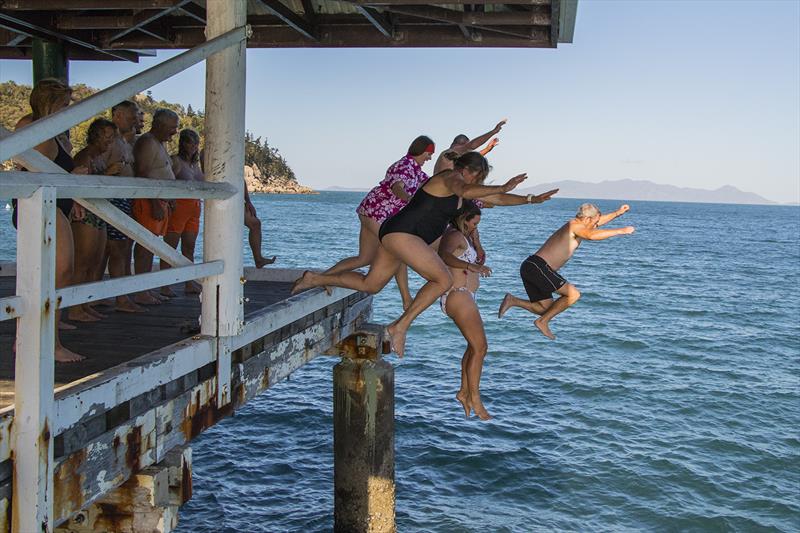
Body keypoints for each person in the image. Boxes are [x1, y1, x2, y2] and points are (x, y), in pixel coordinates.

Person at [292, 151, 557, 357]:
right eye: (478, 177)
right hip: (403, 234)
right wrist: (502, 186)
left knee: (370, 285)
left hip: (396, 234)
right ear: (465, 170)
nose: (479, 183)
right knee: (443, 280)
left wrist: (531, 199)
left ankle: (314, 279)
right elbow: (467, 189)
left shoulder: (464, 192)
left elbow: (496, 199)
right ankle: (400, 326)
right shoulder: (449, 179)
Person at [12, 78, 87, 362]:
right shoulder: (38, 129)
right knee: (59, 270)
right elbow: (34, 173)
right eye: (64, 105)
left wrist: (76, 196)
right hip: (42, 206)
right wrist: (73, 178)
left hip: (56, 204)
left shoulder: (54, 131)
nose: (67, 110)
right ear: (51, 103)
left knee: (48, 273)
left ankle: (42, 330)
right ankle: (49, 343)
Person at [321, 135, 436, 309]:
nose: (430, 158)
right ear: (421, 150)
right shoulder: (404, 165)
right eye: (429, 153)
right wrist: (412, 202)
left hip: (372, 212)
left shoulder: (417, 171)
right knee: (398, 251)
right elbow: (397, 187)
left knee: (364, 258)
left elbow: (435, 184)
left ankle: (324, 278)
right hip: (376, 212)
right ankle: (406, 299)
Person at [498, 203, 634, 339]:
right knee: (573, 295)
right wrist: (620, 231)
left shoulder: (580, 225)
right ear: (587, 219)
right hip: (538, 267)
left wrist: (618, 213)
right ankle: (543, 322)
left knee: (545, 309)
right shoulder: (575, 226)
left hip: (532, 267)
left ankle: (513, 301)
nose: (597, 224)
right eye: (595, 222)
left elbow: (597, 223)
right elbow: (592, 235)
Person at [438, 205, 495, 420]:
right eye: (474, 223)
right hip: (457, 293)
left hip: (467, 296)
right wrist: (473, 268)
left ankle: (463, 392)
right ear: (463, 218)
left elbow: (479, 258)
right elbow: (444, 256)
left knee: (474, 347)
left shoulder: (466, 237)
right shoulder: (453, 235)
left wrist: (477, 240)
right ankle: (475, 398)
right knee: (481, 348)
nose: (475, 227)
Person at [68, 118, 120, 321]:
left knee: (95, 261)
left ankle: (85, 303)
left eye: (112, 136)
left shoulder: (99, 157)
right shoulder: (85, 156)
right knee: (83, 260)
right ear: (95, 135)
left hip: (98, 212)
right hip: (85, 214)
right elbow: (79, 185)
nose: (110, 140)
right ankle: (75, 308)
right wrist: (108, 173)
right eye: (107, 135)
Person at [101, 100, 146, 313]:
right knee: (116, 249)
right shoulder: (110, 142)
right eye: (132, 116)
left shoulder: (126, 142)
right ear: (118, 115)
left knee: (122, 247)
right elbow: (94, 163)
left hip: (125, 198)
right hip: (112, 199)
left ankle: (115, 293)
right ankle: (120, 298)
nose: (136, 120)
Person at [131, 108, 178, 305]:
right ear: (159, 125)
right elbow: (142, 174)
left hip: (161, 201)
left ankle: (147, 288)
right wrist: (153, 202)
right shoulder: (148, 142)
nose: (174, 132)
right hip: (149, 202)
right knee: (144, 246)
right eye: (171, 128)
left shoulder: (159, 143)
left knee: (151, 246)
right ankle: (141, 291)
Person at [160, 128, 203, 296]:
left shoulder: (195, 165)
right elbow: (167, 180)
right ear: (182, 143)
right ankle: (165, 285)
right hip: (179, 207)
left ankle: (189, 282)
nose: (193, 146)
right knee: (170, 247)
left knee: (189, 247)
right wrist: (168, 201)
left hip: (195, 207)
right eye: (189, 142)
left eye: (196, 143)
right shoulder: (175, 161)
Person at [432, 119, 506, 174]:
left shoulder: (451, 156)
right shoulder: (448, 153)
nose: (468, 151)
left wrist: (487, 149)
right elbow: (472, 145)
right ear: (462, 144)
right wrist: (494, 131)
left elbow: (470, 157)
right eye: (467, 147)